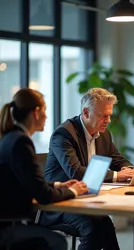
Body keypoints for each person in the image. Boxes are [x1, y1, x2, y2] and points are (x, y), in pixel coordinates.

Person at [41, 88, 134, 250]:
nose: (108, 120)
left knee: (105, 225)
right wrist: (116, 176)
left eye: (109, 116)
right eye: (103, 116)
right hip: (59, 202)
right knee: (93, 228)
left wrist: (129, 169)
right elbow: (76, 172)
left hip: (86, 199)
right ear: (86, 112)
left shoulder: (103, 134)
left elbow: (117, 159)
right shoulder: (63, 134)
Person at [0, 88, 87, 250]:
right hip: (9, 226)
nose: (47, 116)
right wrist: (74, 191)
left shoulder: (10, 138)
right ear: (36, 112)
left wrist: (57, 185)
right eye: (45, 110)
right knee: (56, 242)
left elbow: (27, 182)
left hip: (8, 221)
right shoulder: (21, 142)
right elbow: (43, 195)